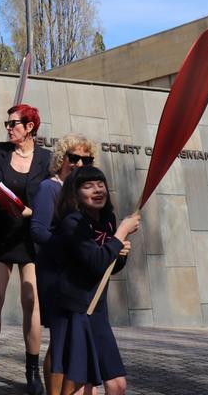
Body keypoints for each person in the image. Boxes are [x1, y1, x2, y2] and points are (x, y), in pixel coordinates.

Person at [0, 103, 51, 395]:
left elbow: (54, 190)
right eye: (7, 123)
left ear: (30, 127)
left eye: (13, 123)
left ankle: (32, 371)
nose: (8, 128)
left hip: (30, 237)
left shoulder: (46, 159)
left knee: (31, 301)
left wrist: (37, 212)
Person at [47, 167, 140, 395]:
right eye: (88, 186)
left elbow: (107, 267)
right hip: (74, 311)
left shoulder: (108, 220)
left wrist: (120, 254)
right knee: (83, 387)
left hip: (97, 311)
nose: (97, 190)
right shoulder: (72, 223)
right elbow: (96, 261)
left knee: (118, 384)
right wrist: (120, 235)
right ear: (75, 194)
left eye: (100, 184)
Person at [30, 134, 97, 395]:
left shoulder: (83, 194)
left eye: (86, 159)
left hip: (77, 275)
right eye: (74, 158)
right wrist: (69, 248)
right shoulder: (51, 188)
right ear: (61, 159)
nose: (80, 164)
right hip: (55, 274)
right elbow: (38, 230)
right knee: (60, 340)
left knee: (68, 340)